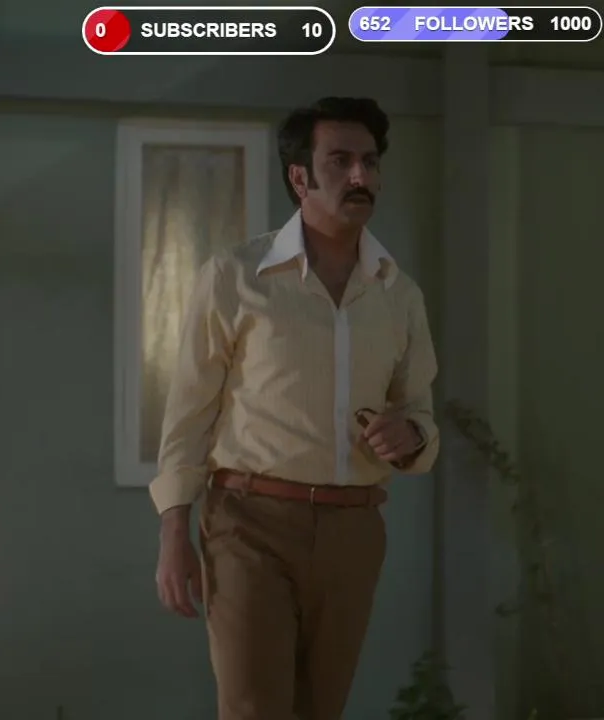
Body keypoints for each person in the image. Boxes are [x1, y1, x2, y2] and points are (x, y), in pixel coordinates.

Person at [150, 97, 440, 720]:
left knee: (320, 710)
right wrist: (174, 531)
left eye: (370, 162)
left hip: (354, 528)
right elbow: (188, 414)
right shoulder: (235, 277)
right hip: (249, 523)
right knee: (255, 709)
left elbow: (420, 412)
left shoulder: (399, 294)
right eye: (340, 161)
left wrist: (411, 434)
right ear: (299, 177)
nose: (360, 176)